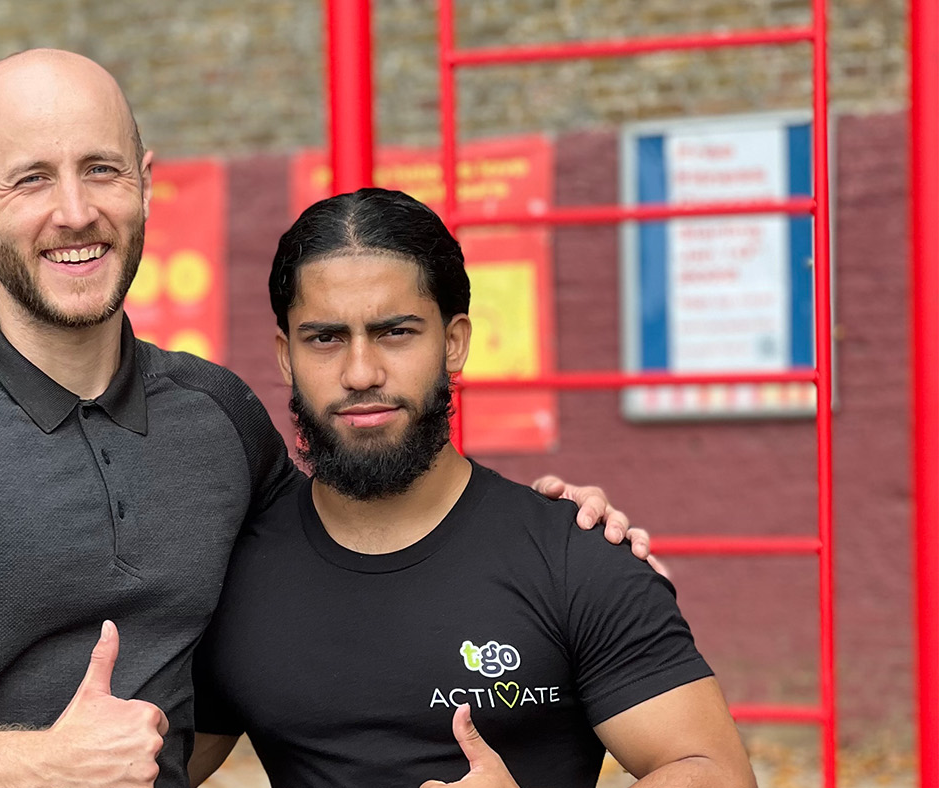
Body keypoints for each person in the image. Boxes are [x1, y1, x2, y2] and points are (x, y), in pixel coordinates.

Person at [0, 51, 653, 788]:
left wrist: (559, 532)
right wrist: (39, 765)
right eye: (31, 180)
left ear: (146, 181)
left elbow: (351, 537)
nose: (75, 213)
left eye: (101, 170)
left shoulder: (220, 420)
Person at [188, 188, 756, 788]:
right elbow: (147, 768)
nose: (360, 373)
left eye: (396, 333)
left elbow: (715, 773)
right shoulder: (238, 571)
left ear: (453, 343)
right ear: (286, 357)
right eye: (325, 338)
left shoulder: (575, 557)